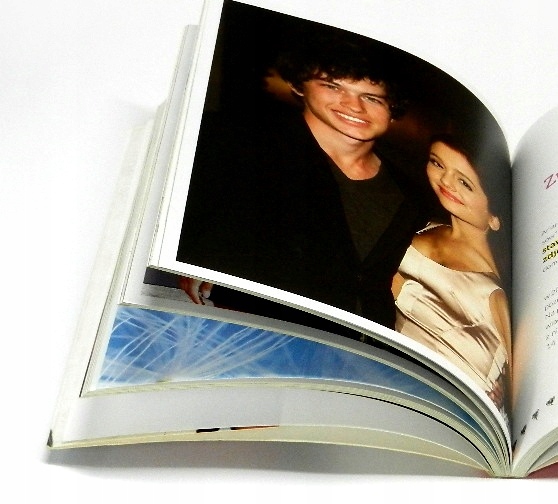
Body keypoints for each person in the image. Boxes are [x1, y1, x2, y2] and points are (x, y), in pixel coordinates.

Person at [176, 33, 431, 331]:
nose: (354, 106)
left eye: (372, 97)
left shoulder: (414, 190)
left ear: (393, 108)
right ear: (299, 85)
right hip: (244, 332)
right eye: (333, 86)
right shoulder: (238, 146)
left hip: (359, 347)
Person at [391, 135, 513, 411]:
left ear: (495, 216)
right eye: (438, 164)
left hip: (458, 414)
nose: (446, 181)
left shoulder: (499, 294)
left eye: (465, 183)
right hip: (394, 388)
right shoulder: (411, 227)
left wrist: (504, 397)